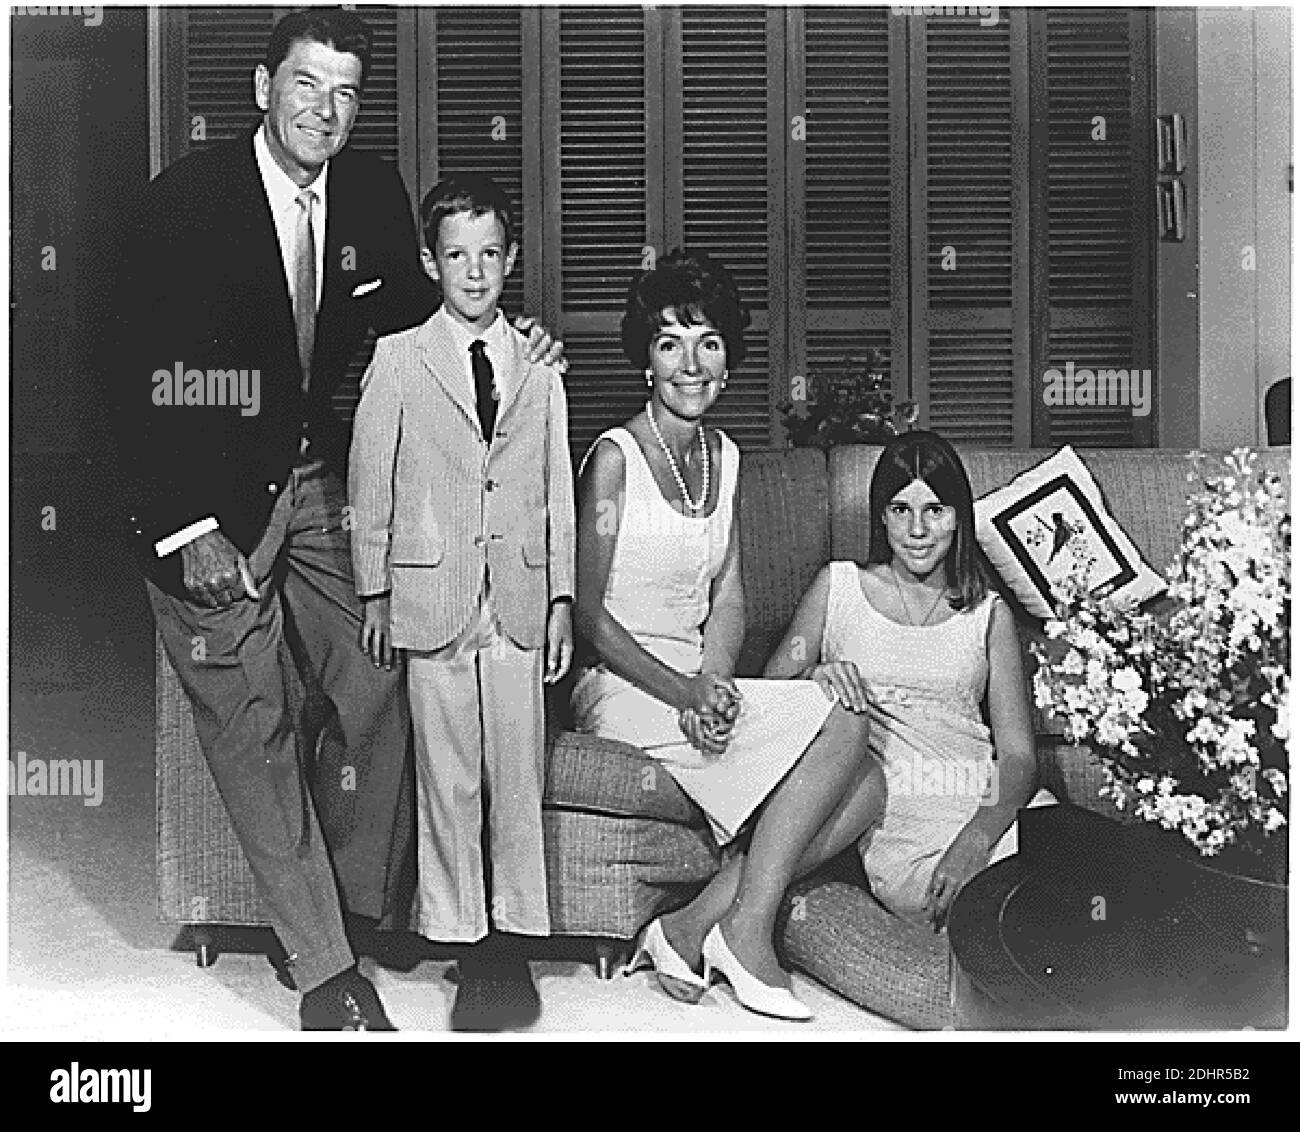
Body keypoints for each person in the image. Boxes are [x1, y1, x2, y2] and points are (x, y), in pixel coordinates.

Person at [112, 7, 563, 1030]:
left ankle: (353, 909)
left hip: (317, 487)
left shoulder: (366, 189)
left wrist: (508, 335)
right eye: (307, 85)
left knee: (382, 681)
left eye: (347, 91)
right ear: (263, 88)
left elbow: (418, 314)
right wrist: (189, 528)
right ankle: (325, 970)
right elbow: (122, 379)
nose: (327, 110)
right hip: (201, 507)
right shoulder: (181, 205)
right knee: (254, 725)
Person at [572, 251, 888, 1021]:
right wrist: (682, 692)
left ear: (728, 358)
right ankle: (744, 933)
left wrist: (713, 682)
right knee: (844, 740)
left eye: (708, 342)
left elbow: (731, 594)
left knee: (869, 780)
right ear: (645, 356)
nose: (690, 363)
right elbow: (587, 615)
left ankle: (697, 925)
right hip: (623, 685)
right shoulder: (614, 461)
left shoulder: (727, 458)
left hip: (696, 681)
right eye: (670, 341)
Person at [349, 173, 575, 1031]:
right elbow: (371, 481)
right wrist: (374, 586)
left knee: (513, 775)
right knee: (448, 779)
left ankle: (513, 946)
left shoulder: (540, 371)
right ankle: (462, 942)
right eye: (456, 256)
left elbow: (555, 494)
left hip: (515, 597)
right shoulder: (399, 358)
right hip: (432, 591)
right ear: (428, 261)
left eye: (489, 254)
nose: (474, 272)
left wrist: (559, 599)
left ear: (511, 259)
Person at [766, 429, 1045, 928]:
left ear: (959, 517)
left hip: (994, 816)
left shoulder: (987, 613)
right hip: (910, 836)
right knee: (1028, 920)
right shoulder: (839, 587)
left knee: (1110, 880)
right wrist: (815, 673)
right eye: (901, 509)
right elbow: (771, 692)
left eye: (935, 510)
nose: (917, 529)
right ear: (880, 516)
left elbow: (1019, 755)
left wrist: (976, 840)